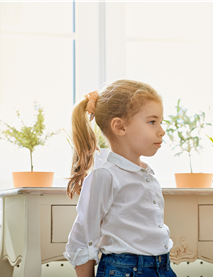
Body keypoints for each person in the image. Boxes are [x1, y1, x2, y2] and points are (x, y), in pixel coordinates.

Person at [63, 79, 176, 277]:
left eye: (161, 122)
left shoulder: (147, 176)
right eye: (152, 122)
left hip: (162, 267)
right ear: (120, 127)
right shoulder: (105, 175)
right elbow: (82, 240)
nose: (162, 131)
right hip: (125, 270)